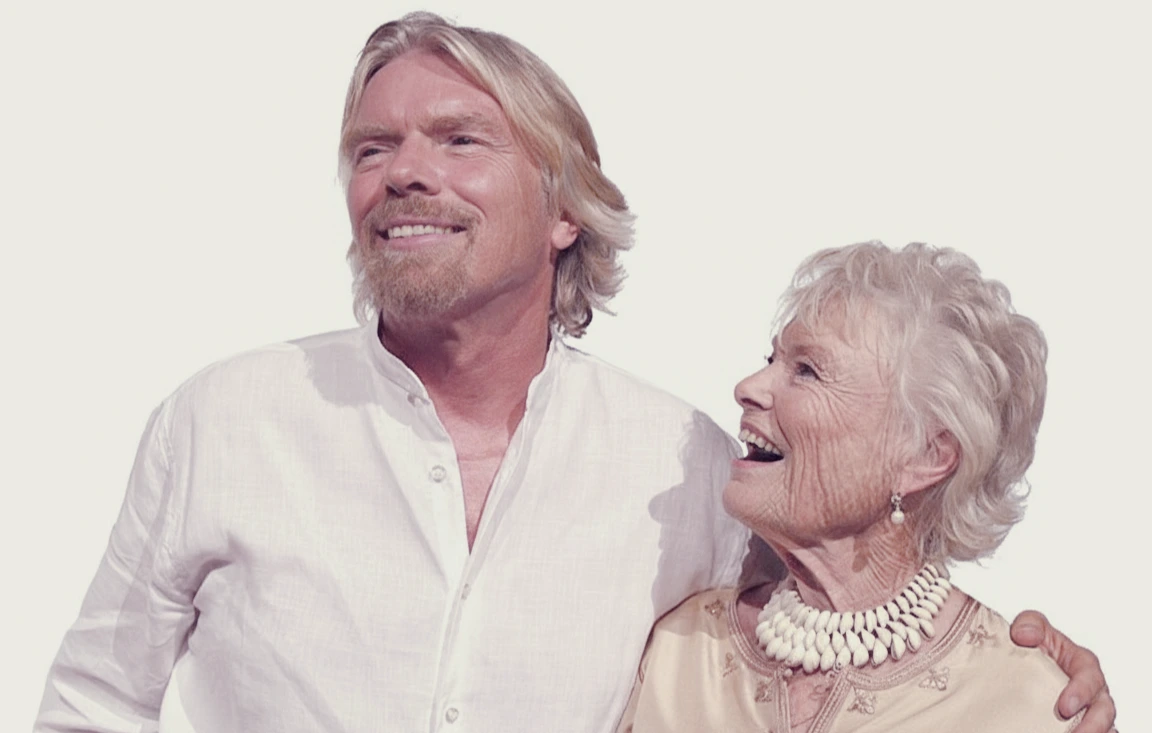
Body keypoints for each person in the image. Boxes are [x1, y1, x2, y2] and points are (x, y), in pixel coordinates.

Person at [35, 13, 1113, 733]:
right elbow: (91, 703)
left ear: (565, 212)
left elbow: (854, 613)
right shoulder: (221, 420)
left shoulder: (684, 466)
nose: (404, 172)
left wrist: (1047, 678)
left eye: (460, 140)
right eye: (371, 148)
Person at [617, 241, 1106, 731]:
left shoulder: (1026, 701)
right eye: (770, 359)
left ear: (925, 456)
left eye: (806, 370)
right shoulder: (679, 655)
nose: (748, 387)